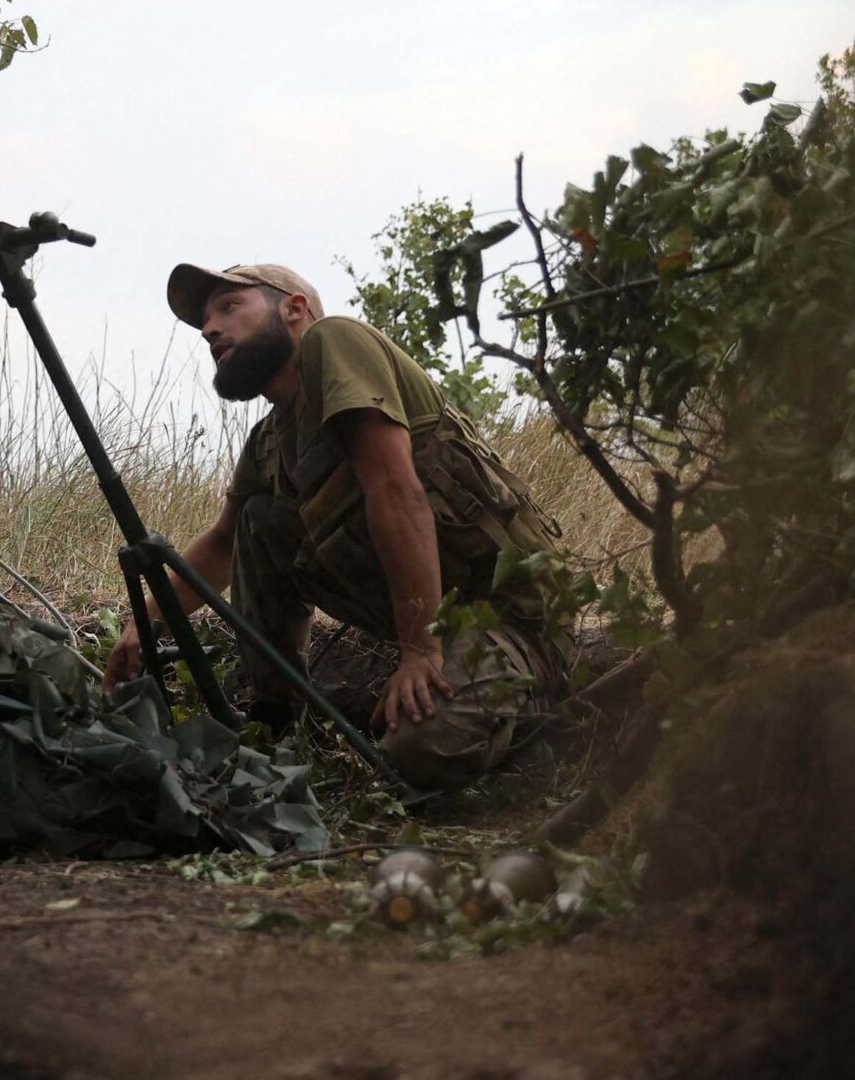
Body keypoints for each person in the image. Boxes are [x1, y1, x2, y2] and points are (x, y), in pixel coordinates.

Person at [104, 263, 575, 790]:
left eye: (230, 306)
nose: (210, 328)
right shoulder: (269, 441)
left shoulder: (335, 341)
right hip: (444, 628)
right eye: (205, 321)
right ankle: (276, 720)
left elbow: (396, 489)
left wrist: (420, 649)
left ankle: (541, 713)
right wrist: (146, 624)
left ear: (295, 308)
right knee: (255, 520)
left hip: (512, 621)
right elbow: (222, 544)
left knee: (419, 753)